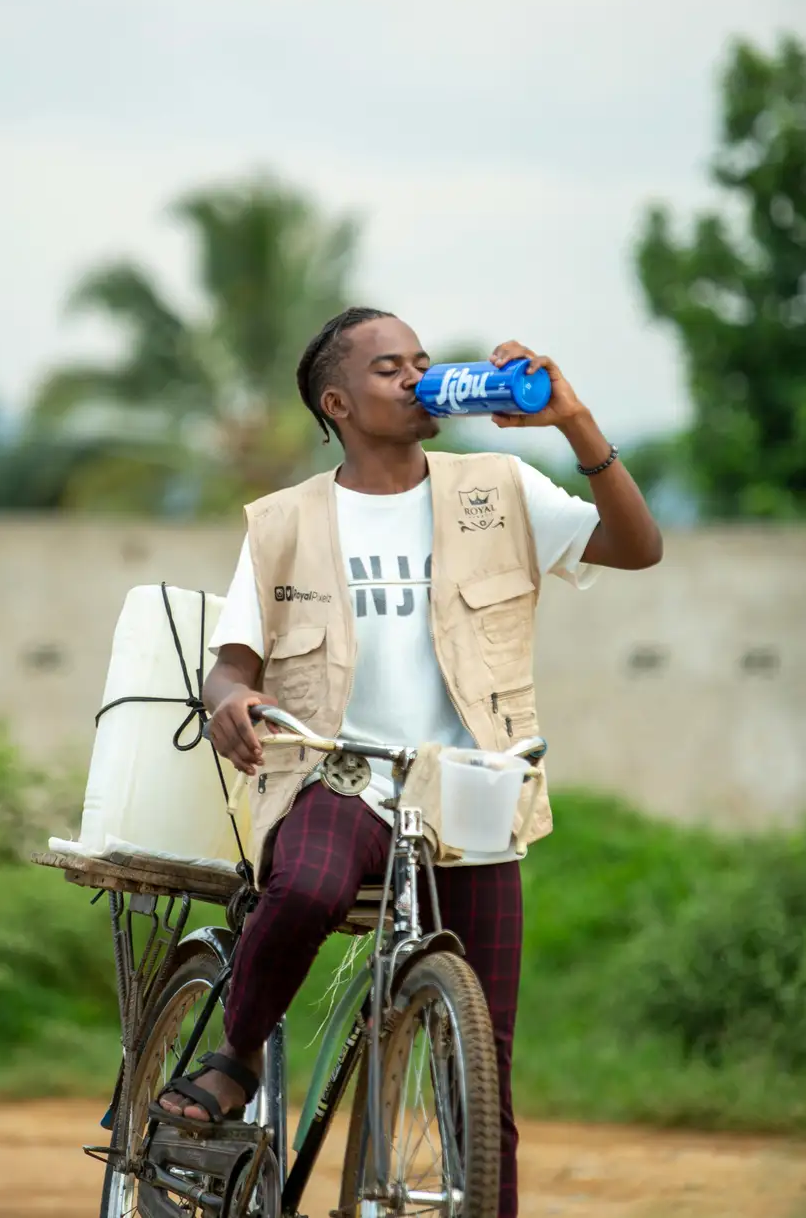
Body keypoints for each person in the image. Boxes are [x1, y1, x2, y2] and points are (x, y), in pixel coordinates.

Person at [156, 307, 662, 1217]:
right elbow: (235, 658)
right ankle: (235, 1053)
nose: (420, 377)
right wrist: (228, 697)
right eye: (393, 368)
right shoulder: (284, 521)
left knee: (483, 1067)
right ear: (339, 402)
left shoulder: (499, 484)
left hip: (470, 794)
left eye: (423, 362)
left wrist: (572, 420)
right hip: (336, 776)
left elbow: (638, 547)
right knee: (306, 888)